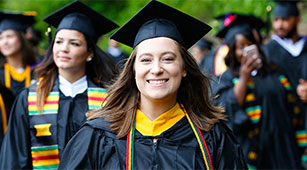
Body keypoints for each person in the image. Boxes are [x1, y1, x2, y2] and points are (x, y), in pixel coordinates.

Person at [59, 1, 247, 169]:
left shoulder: (212, 137)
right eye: (146, 60)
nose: (156, 69)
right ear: (133, 70)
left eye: (167, 59)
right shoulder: (98, 136)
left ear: (184, 68)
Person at [0, 1, 118, 169]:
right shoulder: (29, 98)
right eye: (59, 41)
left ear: (89, 53)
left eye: (74, 43)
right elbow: (14, 159)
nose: (64, 49)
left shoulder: (106, 101)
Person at [212, 14, 306, 169]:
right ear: (232, 51)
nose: (247, 51)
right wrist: (244, 76)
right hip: (253, 153)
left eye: (251, 44)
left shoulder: (275, 73)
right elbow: (226, 109)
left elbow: (295, 108)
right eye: (241, 47)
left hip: (285, 149)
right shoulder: (226, 79)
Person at [263, 1, 306, 105]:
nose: (279, 25)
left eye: (285, 20)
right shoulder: (267, 50)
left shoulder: (305, 46)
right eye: (276, 20)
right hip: (282, 114)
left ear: (297, 20)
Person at [201, 13, 265, 78]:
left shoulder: (266, 65)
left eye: (250, 44)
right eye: (241, 47)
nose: (246, 50)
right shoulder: (225, 75)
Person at [0, 11, 37, 96]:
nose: (5, 42)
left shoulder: (38, 71)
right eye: (1, 38)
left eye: (9, 36)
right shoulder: (0, 74)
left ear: (21, 39)